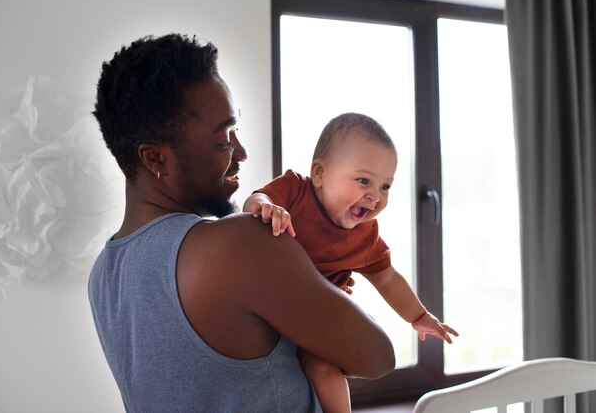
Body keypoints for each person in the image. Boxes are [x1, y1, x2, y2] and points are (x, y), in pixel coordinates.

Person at [87, 34, 396, 413]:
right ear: (156, 159)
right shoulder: (237, 243)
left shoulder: (104, 273)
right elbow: (378, 356)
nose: (242, 153)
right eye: (223, 140)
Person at [243, 112, 459, 413]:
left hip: (319, 316)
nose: (375, 196)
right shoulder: (294, 191)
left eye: (385, 187)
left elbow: (387, 278)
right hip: (271, 303)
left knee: (324, 370)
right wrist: (266, 207)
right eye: (363, 181)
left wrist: (418, 315)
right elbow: (254, 201)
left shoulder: (365, 236)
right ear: (319, 173)